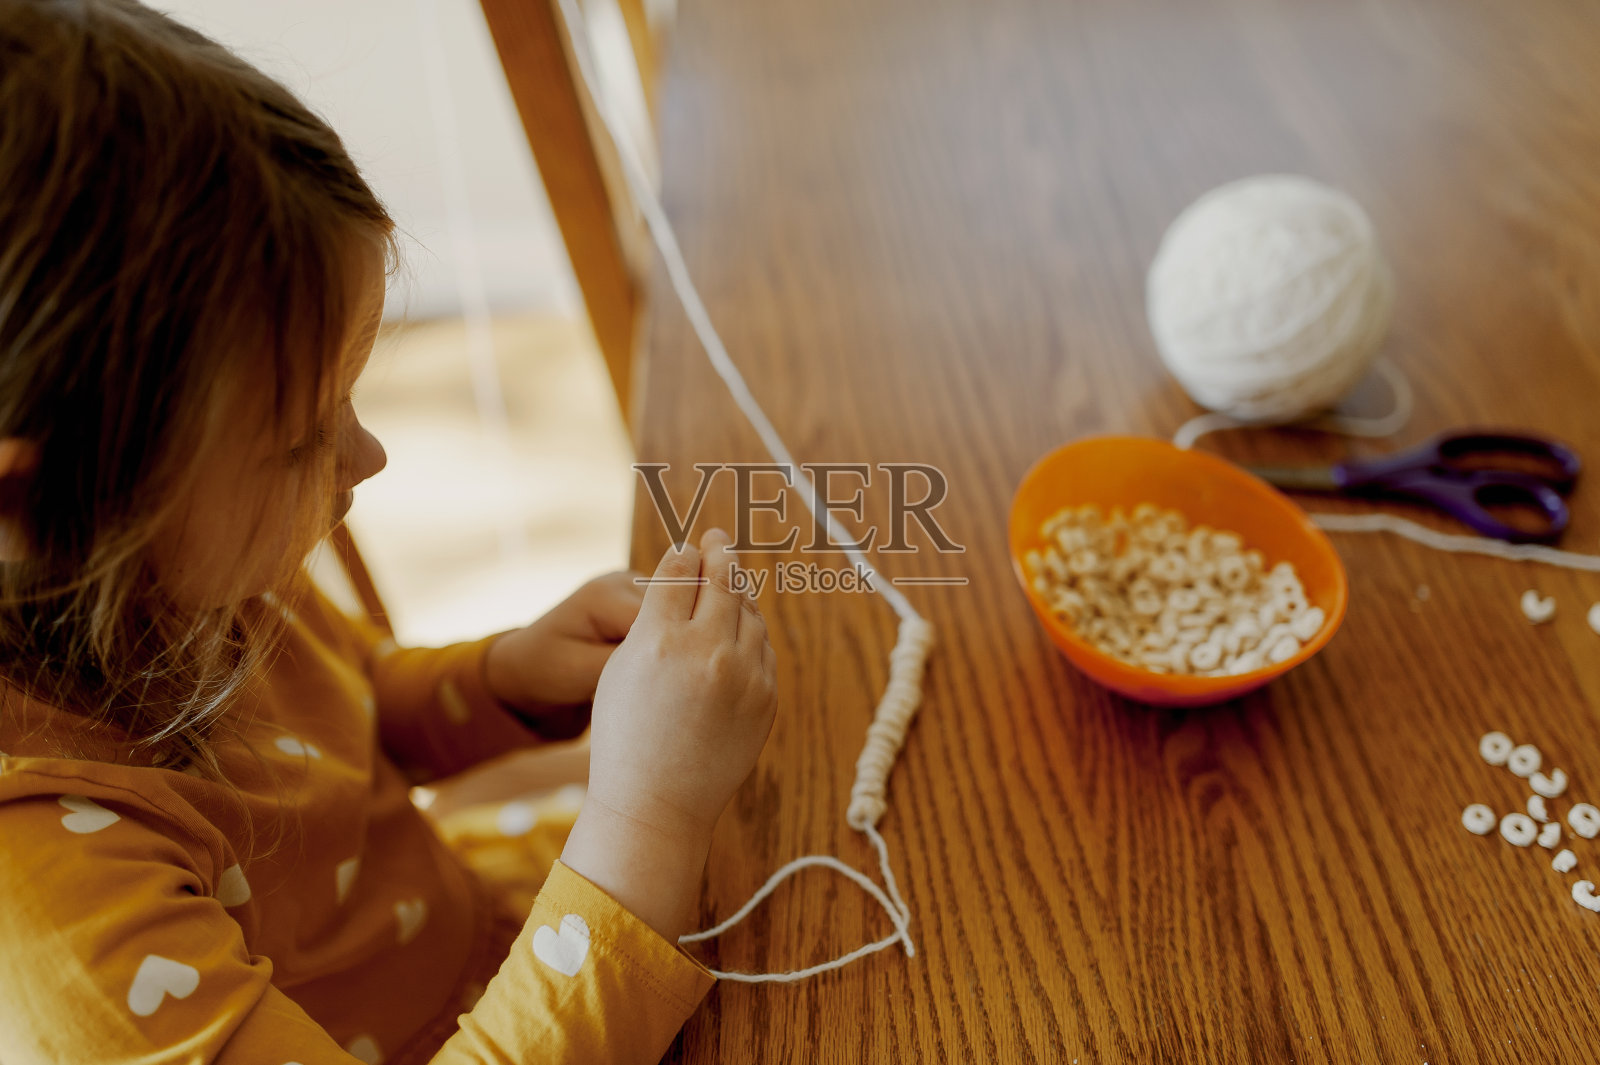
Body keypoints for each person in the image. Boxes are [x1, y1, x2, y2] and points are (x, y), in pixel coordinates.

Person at [0, 2, 778, 1062]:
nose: (367, 461)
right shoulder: (46, 904)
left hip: (509, 950)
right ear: (37, 501)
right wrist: (645, 816)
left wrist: (505, 679)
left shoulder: (169, 561)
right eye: (298, 442)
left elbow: (346, 711)